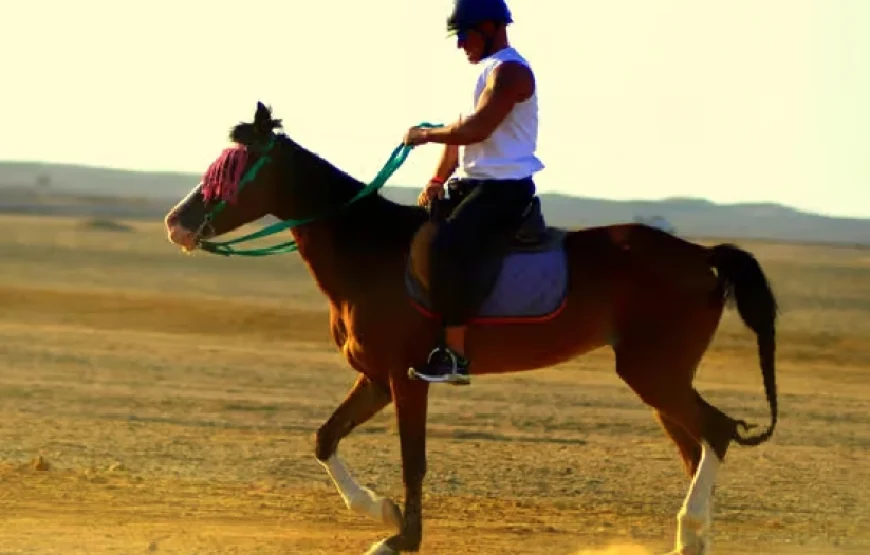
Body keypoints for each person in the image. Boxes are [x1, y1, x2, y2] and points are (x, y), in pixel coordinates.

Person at [403, 0, 544, 385]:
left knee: (446, 248)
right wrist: (436, 180)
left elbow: (474, 131)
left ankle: (455, 356)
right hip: (470, 185)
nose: (460, 45)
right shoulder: (483, 73)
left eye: (463, 35)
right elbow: (460, 136)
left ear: (488, 27)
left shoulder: (511, 72)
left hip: (503, 190)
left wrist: (423, 135)